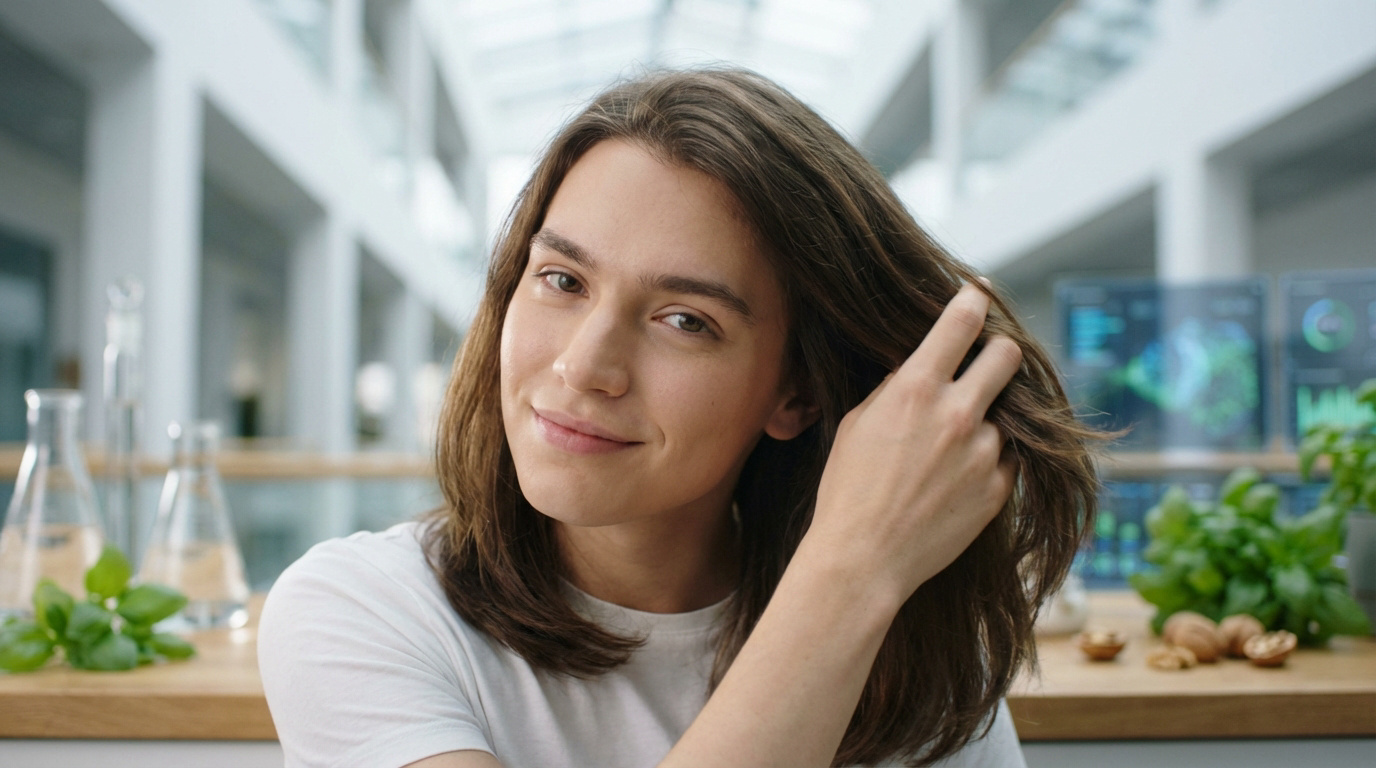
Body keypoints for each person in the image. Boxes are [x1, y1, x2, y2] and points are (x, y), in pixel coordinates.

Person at [258, 68, 1100, 768]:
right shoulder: (362, 612)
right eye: (561, 280)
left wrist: (863, 578)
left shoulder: (905, 637)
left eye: (686, 321)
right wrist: (849, 574)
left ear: (796, 394)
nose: (584, 365)